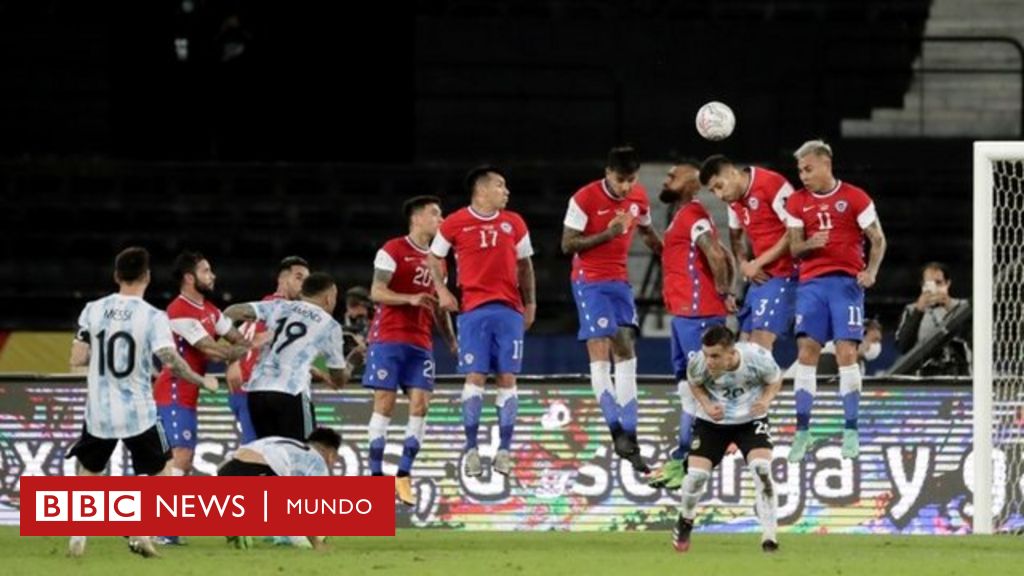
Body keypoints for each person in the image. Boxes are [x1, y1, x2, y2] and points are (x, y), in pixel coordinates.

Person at [66, 247, 218, 559]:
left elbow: (77, 358)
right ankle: (142, 533)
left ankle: (77, 538)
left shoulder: (92, 309)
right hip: (139, 412)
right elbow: (170, 362)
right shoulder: (152, 316)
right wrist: (201, 380)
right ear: (147, 277)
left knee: (90, 471)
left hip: (99, 411)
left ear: (116, 276)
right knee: (163, 472)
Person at [427, 165, 536, 478]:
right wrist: (442, 289)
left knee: (507, 378)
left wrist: (531, 303)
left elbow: (525, 266)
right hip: (473, 309)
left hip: (509, 310)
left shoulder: (514, 222)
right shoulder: (456, 223)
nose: (506, 191)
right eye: (501, 186)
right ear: (482, 190)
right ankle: (471, 449)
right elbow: (434, 257)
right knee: (475, 376)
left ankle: (504, 450)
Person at [561, 145, 662, 473]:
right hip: (589, 280)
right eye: (620, 180)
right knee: (602, 346)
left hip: (619, 280)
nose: (626, 187)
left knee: (627, 349)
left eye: (631, 180)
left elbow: (646, 231)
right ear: (607, 173)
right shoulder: (584, 198)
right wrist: (609, 233)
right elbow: (567, 244)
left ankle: (629, 434)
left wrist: (666, 253)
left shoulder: (639, 197)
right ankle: (617, 430)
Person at [785, 140, 887, 462]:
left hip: (846, 284)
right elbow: (793, 248)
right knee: (807, 351)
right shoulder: (797, 202)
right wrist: (809, 243)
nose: (803, 175)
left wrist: (870, 271)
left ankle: (851, 430)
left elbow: (878, 238)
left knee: (847, 352)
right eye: (800, 170)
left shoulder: (855, 197)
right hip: (812, 283)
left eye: (808, 168)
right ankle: (802, 431)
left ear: (826, 165)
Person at [647, 159, 735, 491]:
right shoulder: (680, 218)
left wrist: (725, 291)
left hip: (699, 314)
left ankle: (696, 457)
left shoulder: (694, 215)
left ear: (693, 183)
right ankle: (683, 457)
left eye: (674, 175)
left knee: (703, 389)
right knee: (687, 389)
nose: (667, 178)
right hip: (684, 314)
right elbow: (715, 253)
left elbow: (715, 254)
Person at [364, 195, 456, 506]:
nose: (441, 220)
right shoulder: (392, 249)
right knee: (385, 404)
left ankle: (403, 474)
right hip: (389, 338)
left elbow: (441, 307)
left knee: (421, 406)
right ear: (416, 219)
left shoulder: (440, 261)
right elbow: (376, 291)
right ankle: (376, 478)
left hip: (421, 343)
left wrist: (452, 342)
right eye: (435, 214)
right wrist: (410, 298)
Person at [673, 326, 782, 554]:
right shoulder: (699, 363)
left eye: (715, 356)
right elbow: (694, 384)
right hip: (713, 423)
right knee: (695, 478)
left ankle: (770, 536)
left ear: (731, 353)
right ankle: (686, 519)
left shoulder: (757, 357)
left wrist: (766, 400)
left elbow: (775, 379)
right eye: (706, 354)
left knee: (762, 470)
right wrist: (706, 405)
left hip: (750, 420)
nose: (709, 361)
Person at [224, 273, 360, 440]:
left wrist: (239, 343)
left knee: (267, 456)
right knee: (301, 455)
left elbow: (232, 311)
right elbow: (338, 380)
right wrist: (354, 361)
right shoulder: (330, 325)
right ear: (329, 297)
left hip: (257, 391)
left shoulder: (279, 306)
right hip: (291, 392)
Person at [153, 251, 251, 478]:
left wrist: (245, 346)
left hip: (188, 395)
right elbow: (214, 351)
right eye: (206, 271)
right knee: (180, 459)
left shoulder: (210, 310)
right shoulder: (178, 310)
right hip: (173, 392)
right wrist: (246, 349)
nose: (213, 276)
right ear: (189, 278)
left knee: (182, 464)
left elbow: (239, 340)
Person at [700, 155, 797, 351]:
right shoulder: (733, 201)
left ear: (732, 173)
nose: (719, 195)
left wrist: (757, 263)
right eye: (713, 191)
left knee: (760, 342)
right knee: (744, 344)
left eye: (719, 186)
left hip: (787, 272)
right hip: (760, 276)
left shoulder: (772, 184)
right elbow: (736, 239)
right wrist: (744, 264)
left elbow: (794, 233)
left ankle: (772, 381)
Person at [225, 256, 310, 444]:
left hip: (243, 393)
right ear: (281, 280)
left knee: (260, 454)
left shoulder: (258, 310)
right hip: (259, 392)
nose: (304, 284)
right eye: (298, 277)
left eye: (306, 280)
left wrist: (233, 363)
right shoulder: (287, 311)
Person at [218, 427, 341, 551]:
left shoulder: (285, 444)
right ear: (330, 453)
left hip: (226, 471)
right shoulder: (316, 461)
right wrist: (316, 543)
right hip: (257, 473)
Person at [895, 262, 971, 375]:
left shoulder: (962, 307)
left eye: (939, 283)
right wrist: (918, 311)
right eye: (929, 284)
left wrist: (951, 308)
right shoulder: (911, 310)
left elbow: (972, 337)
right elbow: (903, 347)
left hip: (957, 372)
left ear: (947, 283)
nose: (934, 288)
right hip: (924, 374)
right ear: (922, 285)